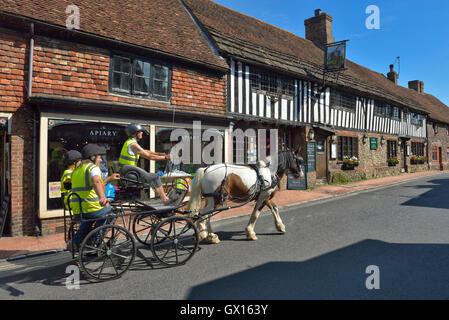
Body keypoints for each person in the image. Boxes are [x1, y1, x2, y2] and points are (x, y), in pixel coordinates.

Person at [70, 144, 120, 249]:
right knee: (112, 212)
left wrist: (109, 178)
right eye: (99, 157)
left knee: (89, 218)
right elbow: (96, 181)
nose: (101, 160)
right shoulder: (92, 168)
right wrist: (103, 197)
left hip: (78, 210)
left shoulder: (76, 171)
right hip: (91, 207)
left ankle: (77, 241)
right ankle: (95, 241)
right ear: (92, 157)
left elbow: (95, 184)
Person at [119, 123, 173, 202]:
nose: (142, 133)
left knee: (152, 178)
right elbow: (149, 156)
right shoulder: (133, 145)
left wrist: (160, 154)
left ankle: (162, 197)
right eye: (140, 131)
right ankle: (164, 199)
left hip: (128, 172)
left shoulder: (130, 142)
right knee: (155, 177)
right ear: (135, 133)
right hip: (129, 174)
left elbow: (146, 151)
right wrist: (165, 157)